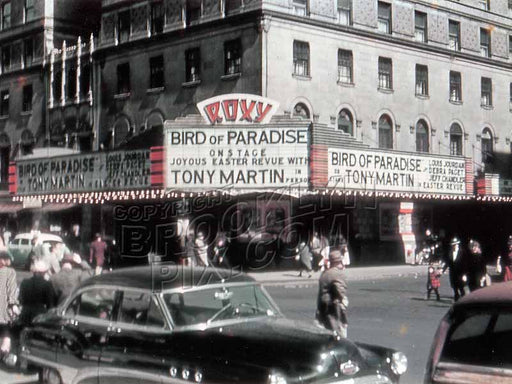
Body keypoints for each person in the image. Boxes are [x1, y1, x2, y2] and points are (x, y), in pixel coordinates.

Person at [316, 248, 348, 337]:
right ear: (339, 262)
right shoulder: (338, 274)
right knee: (339, 335)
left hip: (323, 308)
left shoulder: (324, 273)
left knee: (327, 333)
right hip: (334, 309)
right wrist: (344, 300)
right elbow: (340, 291)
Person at [19, 260, 55, 326]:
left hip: (25, 313)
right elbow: (50, 302)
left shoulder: (24, 282)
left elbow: (21, 300)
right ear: (44, 272)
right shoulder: (47, 284)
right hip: (39, 314)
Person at [0, 251, 18, 357]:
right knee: (6, 329)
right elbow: (12, 291)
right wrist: (13, 305)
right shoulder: (10, 272)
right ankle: (4, 350)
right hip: (3, 306)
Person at [442, 237, 467, 301]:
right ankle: (456, 299)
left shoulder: (462, 253)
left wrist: (465, 274)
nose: (454, 246)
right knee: (454, 287)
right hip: (453, 273)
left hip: (460, 273)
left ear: (458, 245)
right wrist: (442, 270)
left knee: (461, 288)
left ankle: (464, 300)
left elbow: (465, 265)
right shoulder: (450, 253)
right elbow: (447, 262)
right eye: (453, 245)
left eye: (455, 245)